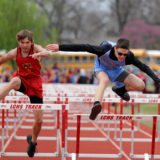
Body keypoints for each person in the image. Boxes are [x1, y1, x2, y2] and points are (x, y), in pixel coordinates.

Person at [32, 38, 160, 120]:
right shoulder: (103, 49)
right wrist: (60, 47)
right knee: (104, 81)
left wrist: (157, 79)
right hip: (101, 69)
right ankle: (96, 106)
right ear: (115, 49)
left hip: (116, 71)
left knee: (141, 85)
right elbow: (83, 46)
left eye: (124, 55)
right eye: (119, 53)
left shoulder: (129, 57)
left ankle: (120, 90)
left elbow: (144, 67)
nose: (122, 57)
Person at [0, 30, 48, 157]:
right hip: (22, 80)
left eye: (27, 42)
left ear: (31, 42)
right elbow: (2, 60)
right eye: (22, 43)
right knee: (14, 81)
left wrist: (41, 54)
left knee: (39, 121)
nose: (25, 46)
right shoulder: (15, 52)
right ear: (18, 42)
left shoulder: (35, 48)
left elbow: (46, 52)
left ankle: (32, 142)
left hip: (35, 84)